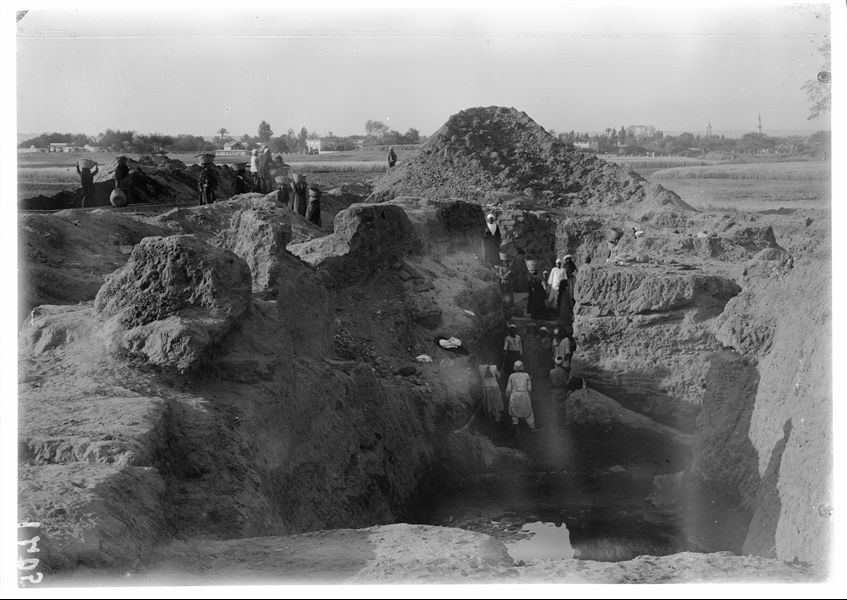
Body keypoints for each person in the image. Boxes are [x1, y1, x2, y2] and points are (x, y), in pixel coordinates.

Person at [506, 361, 537, 434]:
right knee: (528, 412)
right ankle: (532, 428)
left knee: (514, 412)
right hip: (524, 395)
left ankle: (517, 427)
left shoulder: (511, 376)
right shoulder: (526, 375)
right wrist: (527, 394)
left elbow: (509, 389)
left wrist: (508, 396)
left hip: (514, 395)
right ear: (522, 367)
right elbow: (529, 389)